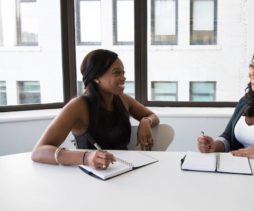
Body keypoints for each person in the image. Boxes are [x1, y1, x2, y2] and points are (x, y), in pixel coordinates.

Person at [31, 49, 159, 170]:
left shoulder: (122, 99)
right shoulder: (78, 105)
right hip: (91, 176)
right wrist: (86, 158)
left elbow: (152, 116)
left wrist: (146, 121)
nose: (124, 77)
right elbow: (38, 151)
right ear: (97, 77)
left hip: (123, 170)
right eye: (117, 72)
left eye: (123, 72)